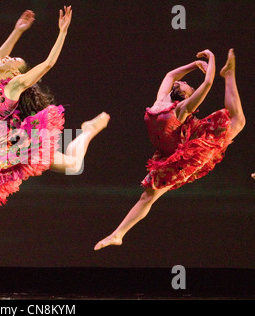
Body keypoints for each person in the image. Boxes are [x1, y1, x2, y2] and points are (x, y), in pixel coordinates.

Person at [0, 7, 109, 299]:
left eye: (13, 60)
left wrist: (62, 32)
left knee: (72, 162)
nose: (6, 58)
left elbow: (47, 64)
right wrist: (18, 30)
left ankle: (87, 131)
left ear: (17, 72)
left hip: (13, 148)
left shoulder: (14, 85)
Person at [94, 48, 245, 251]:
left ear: (186, 97)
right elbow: (171, 75)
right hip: (167, 155)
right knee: (147, 197)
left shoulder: (181, 110)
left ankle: (228, 75)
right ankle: (117, 235)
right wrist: (194, 65)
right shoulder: (160, 101)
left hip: (185, 155)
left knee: (237, 121)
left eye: (189, 86)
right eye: (186, 83)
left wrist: (212, 59)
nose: (184, 82)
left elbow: (207, 84)